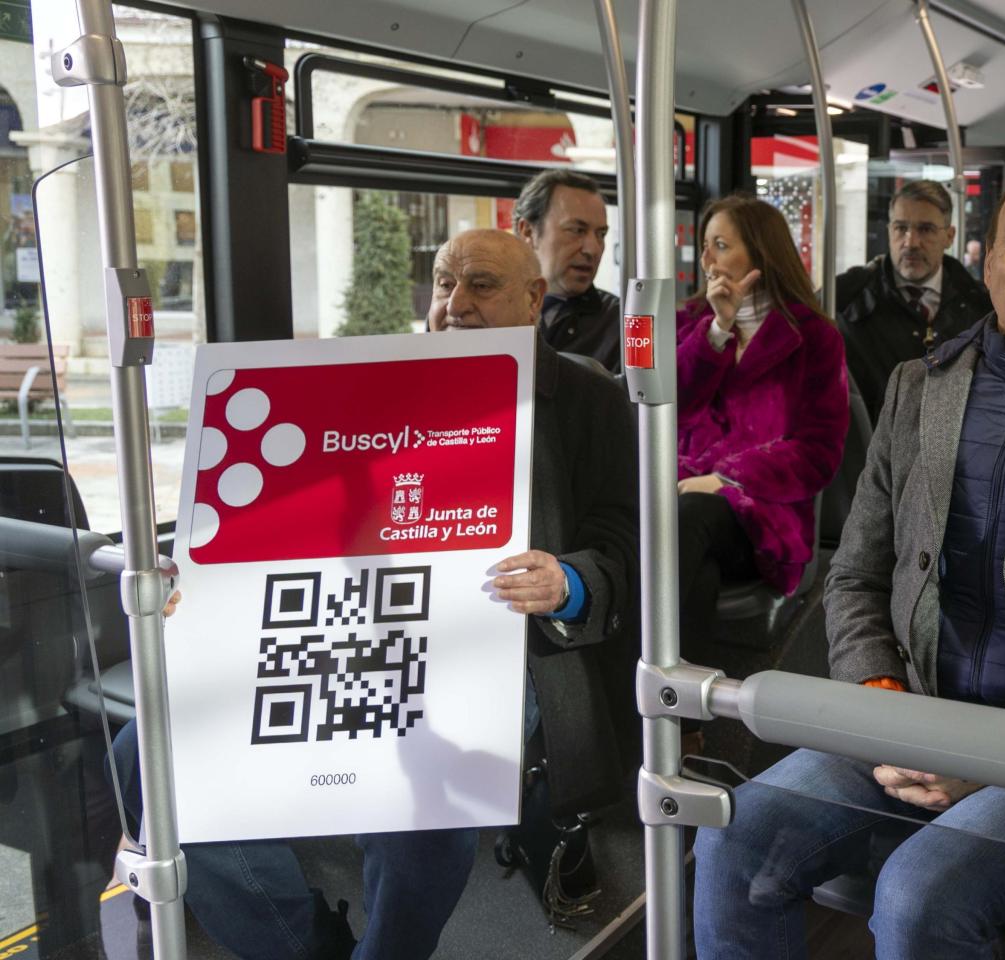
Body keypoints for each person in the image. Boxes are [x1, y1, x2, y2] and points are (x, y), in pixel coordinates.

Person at [692, 164, 1005, 958]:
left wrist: (992, 751)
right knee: (733, 839)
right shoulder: (916, 388)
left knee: (916, 895)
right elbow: (858, 572)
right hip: (904, 714)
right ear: (988, 256)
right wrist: (881, 701)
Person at [114, 230, 640, 960]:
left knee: (426, 785)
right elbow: (286, 517)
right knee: (146, 748)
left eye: (481, 284)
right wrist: (207, 584)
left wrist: (567, 580)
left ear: (533, 299)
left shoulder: (589, 398)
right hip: (341, 629)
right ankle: (304, 948)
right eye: (443, 283)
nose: (455, 303)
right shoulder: (374, 378)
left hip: (499, 645)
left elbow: (624, 546)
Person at [675, 195, 848, 662]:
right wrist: (717, 329)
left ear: (760, 252)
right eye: (706, 246)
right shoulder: (687, 323)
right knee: (696, 562)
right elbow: (667, 405)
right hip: (679, 493)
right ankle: (680, 722)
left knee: (686, 521)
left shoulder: (814, 337)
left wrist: (728, 479)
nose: (707, 259)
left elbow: (818, 450)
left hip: (762, 509)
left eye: (721, 245)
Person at [836, 179, 993, 423]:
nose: (910, 243)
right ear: (889, 231)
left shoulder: (982, 307)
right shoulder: (847, 301)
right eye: (901, 228)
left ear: (949, 236)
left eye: (926, 229)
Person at [514, 168, 623, 372]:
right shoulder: (490, 311)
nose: (593, 249)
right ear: (528, 232)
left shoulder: (621, 325)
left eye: (601, 234)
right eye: (577, 230)